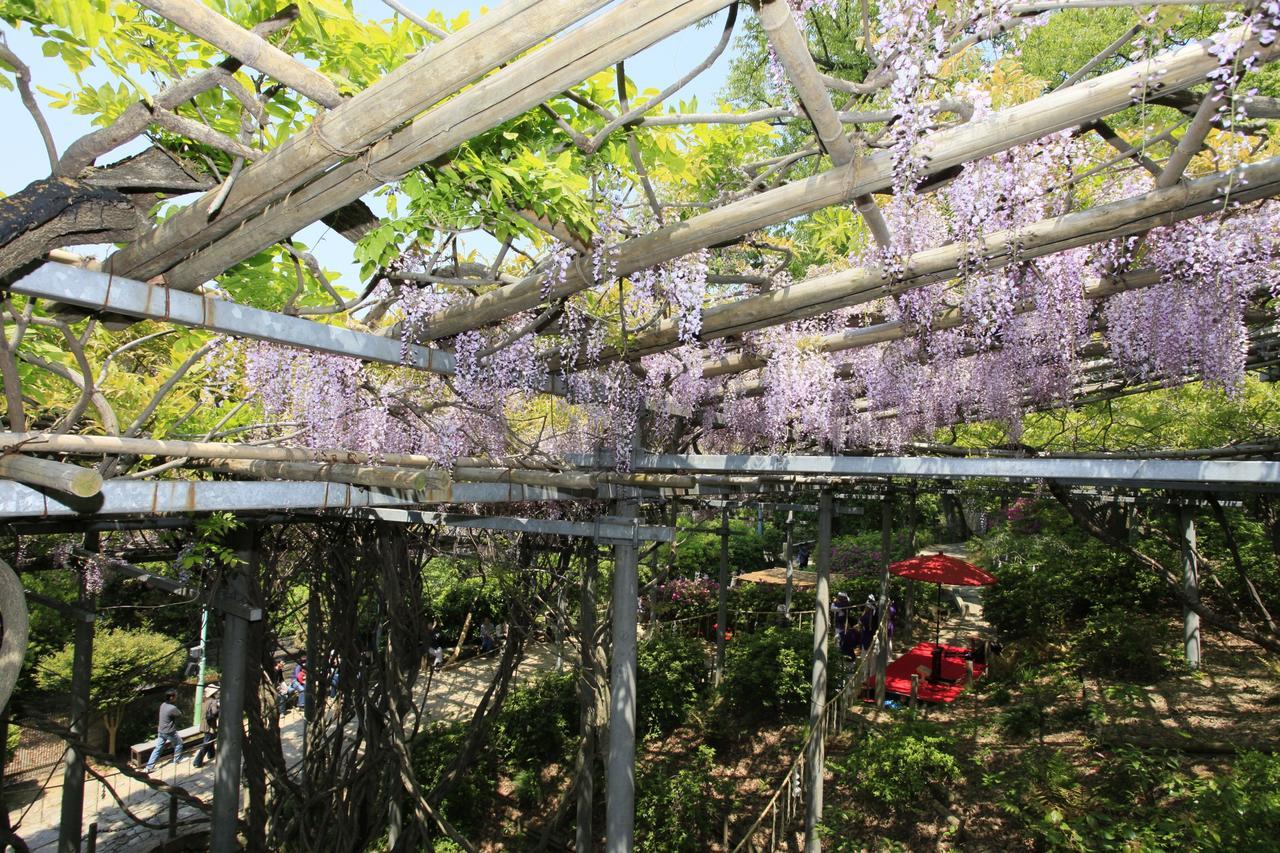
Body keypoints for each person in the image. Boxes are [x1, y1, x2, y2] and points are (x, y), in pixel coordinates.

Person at [144, 690, 186, 773]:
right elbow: (179, 714)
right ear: (171, 697)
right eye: (175, 696)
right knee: (179, 743)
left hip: (161, 731)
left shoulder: (163, 705)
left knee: (158, 748)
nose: (176, 698)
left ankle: (149, 767)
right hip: (169, 731)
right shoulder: (172, 708)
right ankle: (177, 760)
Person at [192, 685, 219, 768]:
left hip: (204, 723)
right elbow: (214, 712)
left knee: (210, 739)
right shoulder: (213, 701)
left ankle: (211, 755)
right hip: (210, 724)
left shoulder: (204, 701)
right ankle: (197, 761)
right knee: (207, 742)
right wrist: (219, 709)